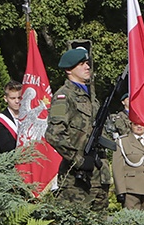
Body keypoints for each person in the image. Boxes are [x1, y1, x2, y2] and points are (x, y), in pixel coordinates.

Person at [45, 47, 112, 212]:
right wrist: (79, 161)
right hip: (76, 181)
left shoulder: (91, 97)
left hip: (98, 177)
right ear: (69, 70)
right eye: (81, 64)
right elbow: (53, 135)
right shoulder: (64, 97)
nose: (87, 66)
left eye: (87, 63)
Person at [0, 81, 22, 153]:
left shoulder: (29, 116)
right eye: (13, 98)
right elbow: (5, 147)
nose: (17, 101)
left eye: (19, 98)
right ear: (5, 98)